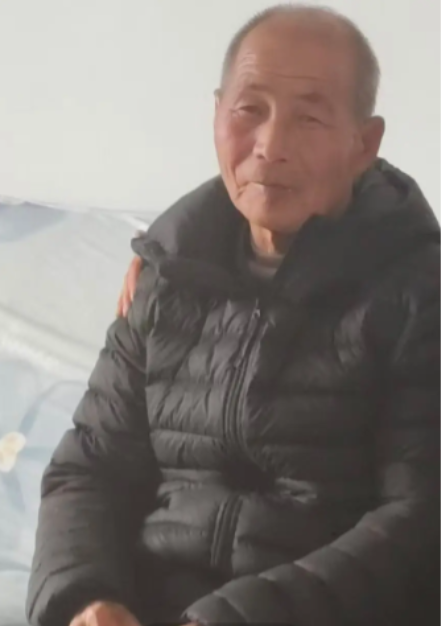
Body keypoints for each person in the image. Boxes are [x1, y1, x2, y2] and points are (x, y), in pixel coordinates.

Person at [27, 5, 441, 626]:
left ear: (364, 144)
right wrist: (85, 598)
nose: (271, 146)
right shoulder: (166, 275)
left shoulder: (419, 293)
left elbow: (418, 522)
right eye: (250, 110)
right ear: (217, 114)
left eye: (309, 117)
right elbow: (89, 465)